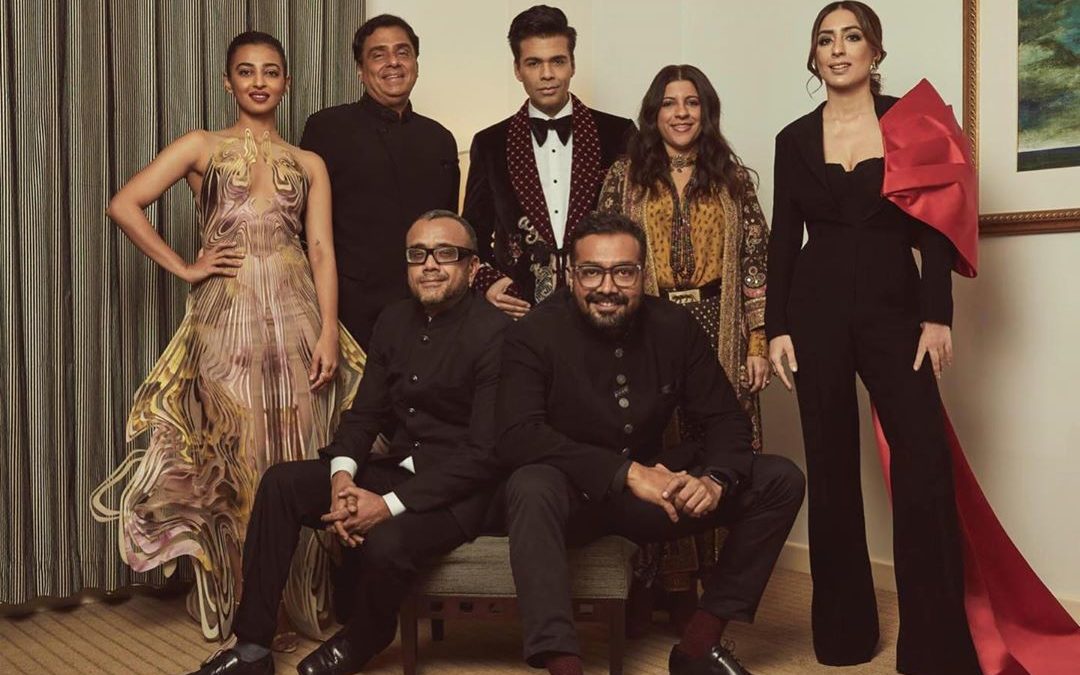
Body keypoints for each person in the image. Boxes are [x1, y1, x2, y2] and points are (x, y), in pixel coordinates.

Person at [769, 4, 1080, 674]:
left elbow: (937, 227)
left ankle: (934, 648)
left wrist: (938, 315)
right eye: (826, 40)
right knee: (829, 468)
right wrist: (776, 327)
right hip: (814, 313)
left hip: (897, 314)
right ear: (814, 57)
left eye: (852, 37)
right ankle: (844, 636)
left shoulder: (912, 124)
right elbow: (783, 239)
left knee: (924, 469)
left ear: (875, 52)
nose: (839, 49)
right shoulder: (791, 139)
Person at [90, 32, 365, 646]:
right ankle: (251, 608)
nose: (259, 81)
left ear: (286, 83)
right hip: (226, 319)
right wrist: (186, 267)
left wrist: (327, 330)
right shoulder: (201, 145)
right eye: (246, 71)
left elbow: (322, 250)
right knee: (235, 461)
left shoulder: (309, 163)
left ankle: (295, 599)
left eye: (271, 71)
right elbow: (124, 204)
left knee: (299, 452)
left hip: (297, 320)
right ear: (228, 81)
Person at [189, 211, 510, 675]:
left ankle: (366, 637)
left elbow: (484, 456)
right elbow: (365, 415)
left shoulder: (496, 334)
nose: (430, 265)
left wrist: (385, 506)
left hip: (458, 494)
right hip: (398, 468)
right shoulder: (393, 320)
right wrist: (342, 478)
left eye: (446, 254)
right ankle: (253, 646)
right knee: (281, 483)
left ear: (473, 267)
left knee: (387, 541)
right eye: (417, 254)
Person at [498, 212, 805, 675]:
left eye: (623, 272)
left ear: (642, 274)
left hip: (652, 498)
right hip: (574, 500)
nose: (607, 287)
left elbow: (726, 420)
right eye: (592, 272)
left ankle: (698, 647)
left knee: (780, 479)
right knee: (530, 483)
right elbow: (517, 435)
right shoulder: (534, 333)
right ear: (571, 275)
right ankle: (563, 664)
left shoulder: (673, 325)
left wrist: (715, 480)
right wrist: (625, 474)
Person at [598, 64, 770, 620]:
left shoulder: (732, 179)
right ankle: (663, 587)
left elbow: (756, 260)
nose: (680, 113)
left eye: (691, 102)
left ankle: (714, 592)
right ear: (653, 113)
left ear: (706, 111)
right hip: (647, 325)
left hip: (720, 326)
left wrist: (757, 341)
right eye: (669, 103)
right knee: (657, 444)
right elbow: (602, 253)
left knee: (718, 447)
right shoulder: (623, 177)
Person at [463, 5, 635, 318]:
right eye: (534, 63)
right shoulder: (490, 143)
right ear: (517, 69)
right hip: (519, 313)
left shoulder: (618, 133)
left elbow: (637, 225)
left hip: (602, 306)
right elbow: (472, 233)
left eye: (557, 61)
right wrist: (488, 281)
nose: (547, 75)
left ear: (572, 65)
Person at [300, 14, 460, 349]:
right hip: (350, 317)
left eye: (403, 52)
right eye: (378, 54)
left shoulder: (440, 139)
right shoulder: (327, 128)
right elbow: (304, 230)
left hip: (430, 313)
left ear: (416, 63)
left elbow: (451, 230)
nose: (393, 62)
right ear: (360, 70)